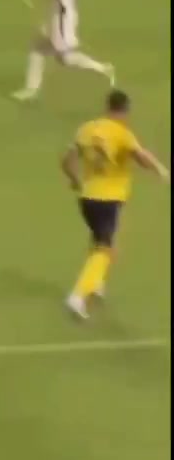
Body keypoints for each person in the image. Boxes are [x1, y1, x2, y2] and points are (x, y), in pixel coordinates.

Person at [61, 90, 169, 320]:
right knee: (105, 250)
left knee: (102, 241)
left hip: (87, 198)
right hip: (108, 200)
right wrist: (160, 170)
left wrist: (75, 180)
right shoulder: (122, 133)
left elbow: (66, 160)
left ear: (107, 106)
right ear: (125, 110)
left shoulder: (87, 129)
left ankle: (96, 283)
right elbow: (141, 157)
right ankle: (77, 296)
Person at [12, 0, 115, 102]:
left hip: (62, 21)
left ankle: (103, 69)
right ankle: (31, 89)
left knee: (63, 57)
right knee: (41, 49)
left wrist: (36, 0)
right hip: (59, 19)